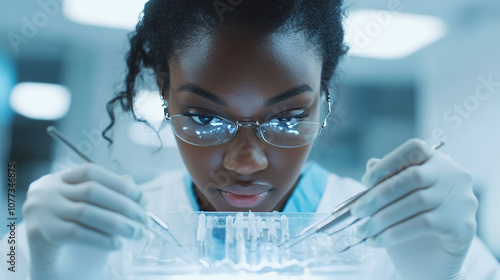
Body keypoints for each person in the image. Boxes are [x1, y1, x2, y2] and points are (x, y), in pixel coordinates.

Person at [2, 1, 499, 279]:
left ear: (322, 102)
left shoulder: (410, 237)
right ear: (164, 95)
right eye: (204, 117)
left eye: (286, 118)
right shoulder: (90, 240)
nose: (246, 162)